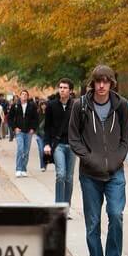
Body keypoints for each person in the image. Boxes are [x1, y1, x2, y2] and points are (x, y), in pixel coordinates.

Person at [69, 65, 128, 256]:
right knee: (92, 222)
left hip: (115, 173)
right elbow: (74, 138)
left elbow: (126, 138)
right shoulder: (81, 106)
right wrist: (90, 159)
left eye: (106, 81)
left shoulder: (121, 106)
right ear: (93, 83)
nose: (102, 85)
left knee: (116, 215)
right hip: (90, 174)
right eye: (98, 81)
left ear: (112, 83)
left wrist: (117, 160)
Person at [44, 79, 76, 207]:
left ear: (71, 90)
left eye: (65, 87)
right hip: (58, 145)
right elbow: (47, 127)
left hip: (73, 146)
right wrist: (46, 143)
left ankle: (66, 207)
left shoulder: (75, 106)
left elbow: (81, 126)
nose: (62, 89)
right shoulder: (51, 105)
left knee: (69, 177)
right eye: (60, 87)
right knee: (61, 175)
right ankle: (58, 208)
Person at [8, 89, 39, 177]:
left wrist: (33, 128)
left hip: (28, 132)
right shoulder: (15, 106)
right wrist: (14, 128)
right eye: (22, 94)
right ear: (20, 96)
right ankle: (18, 169)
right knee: (20, 149)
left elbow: (36, 118)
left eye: (25, 94)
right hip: (19, 131)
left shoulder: (32, 106)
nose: (24, 96)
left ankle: (24, 169)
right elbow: (10, 118)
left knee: (26, 151)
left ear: (28, 96)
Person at [35, 99, 48, 173]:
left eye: (44, 104)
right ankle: (42, 166)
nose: (43, 106)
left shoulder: (48, 113)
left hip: (46, 135)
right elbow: (35, 124)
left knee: (45, 151)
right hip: (39, 135)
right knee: (41, 150)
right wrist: (37, 131)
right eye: (42, 104)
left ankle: (45, 163)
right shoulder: (37, 113)